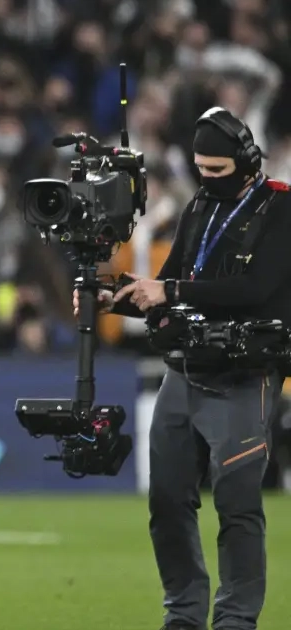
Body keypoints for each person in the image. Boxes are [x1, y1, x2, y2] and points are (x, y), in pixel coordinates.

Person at [82, 107, 291, 630]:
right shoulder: (200, 205)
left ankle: (235, 620)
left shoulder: (282, 207)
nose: (208, 179)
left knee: (237, 505)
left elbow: (254, 289)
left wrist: (169, 289)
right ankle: (183, 615)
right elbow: (169, 286)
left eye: (218, 170)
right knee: (168, 502)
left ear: (248, 161)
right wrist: (112, 298)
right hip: (185, 371)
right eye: (200, 169)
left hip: (244, 376)